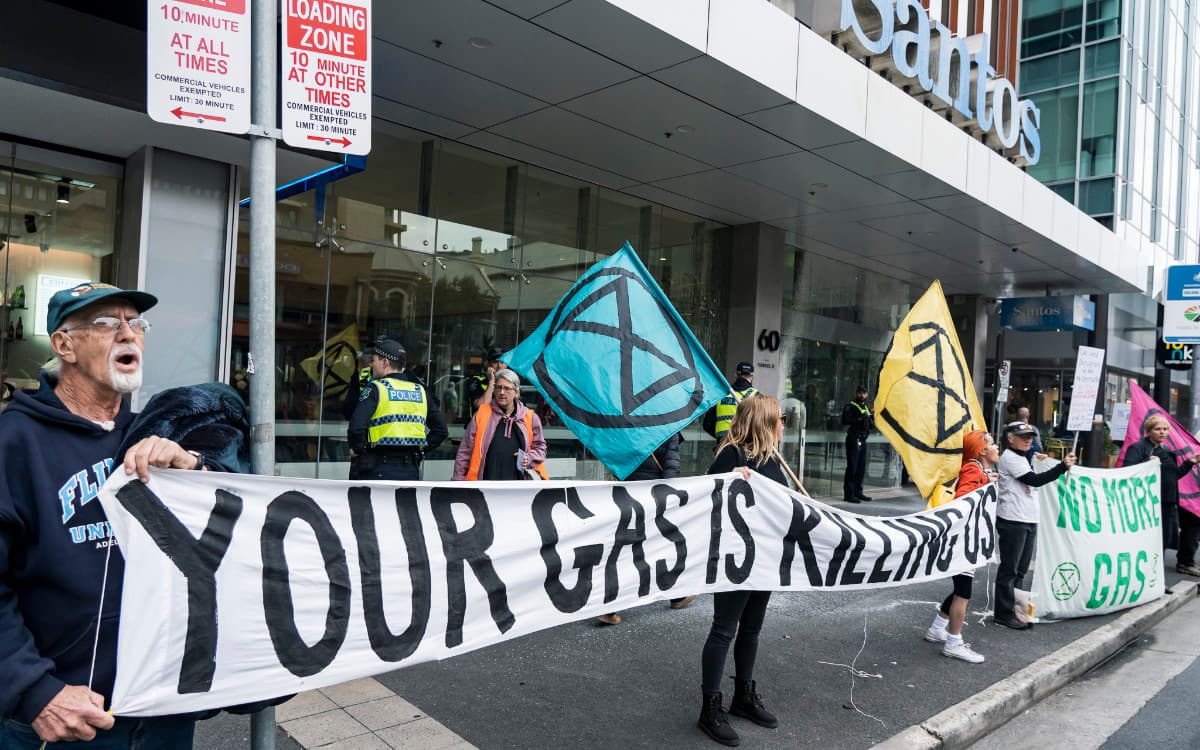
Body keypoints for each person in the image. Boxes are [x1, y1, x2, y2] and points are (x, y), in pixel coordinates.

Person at [0, 281, 208, 748]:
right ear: (64, 345)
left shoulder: (150, 436)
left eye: (135, 324)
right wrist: (35, 692)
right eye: (107, 324)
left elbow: (223, 537)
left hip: (161, 712)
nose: (128, 335)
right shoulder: (13, 443)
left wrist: (194, 468)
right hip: (61, 719)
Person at [697, 395, 790, 746]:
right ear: (764, 421)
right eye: (780, 418)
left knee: (751, 629)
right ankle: (709, 708)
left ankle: (743, 696)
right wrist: (728, 478)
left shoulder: (772, 458)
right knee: (724, 630)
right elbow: (704, 495)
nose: (784, 424)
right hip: (736, 561)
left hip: (764, 558)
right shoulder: (731, 453)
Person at [596, 433, 694, 625]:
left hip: (628, 490)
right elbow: (671, 468)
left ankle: (610, 606)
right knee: (659, 544)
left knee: (631, 546)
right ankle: (675, 595)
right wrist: (670, 498)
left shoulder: (629, 424)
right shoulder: (668, 425)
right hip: (654, 494)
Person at [922, 430, 998, 664]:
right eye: (992, 443)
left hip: (968, 540)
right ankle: (953, 643)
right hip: (963, 542)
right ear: (982, 450)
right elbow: (963, 500)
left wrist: (988, 479)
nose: (997, 447)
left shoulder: (978, 470)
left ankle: (937, 629)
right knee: (964, 594)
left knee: (959, 591)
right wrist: (986, 481)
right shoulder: (973, 469)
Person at [994, 421, 1076, 630]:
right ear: (1010, 438)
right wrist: (1061, 467)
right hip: (1013, 519)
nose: (1028, 440)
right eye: (1023, 437)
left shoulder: (1022, 456)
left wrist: (1038, 458)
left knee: (1020, 569)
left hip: (1027, 518)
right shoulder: (1011, 458)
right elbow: (1034, 480)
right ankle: (1003, 613)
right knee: (1010, 569)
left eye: (1030, 437)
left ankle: (1017, 610)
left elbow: (1032, 469)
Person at [347, 336, 448, 481]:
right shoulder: (420, 391)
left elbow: (356, 428)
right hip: (410, 470)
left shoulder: (376, 388)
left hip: (378, 467)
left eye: (374, 360)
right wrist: (419, 449)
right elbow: (441, 431)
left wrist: (358, 450)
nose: (371, 365)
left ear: (385, 362)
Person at [1120, 414, 1200, 575]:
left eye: (1165, 429)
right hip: (1148, 503)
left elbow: (1174, 476)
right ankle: (1145, 576)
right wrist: (1147, 464)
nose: (1162, 432)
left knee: (1162, 541)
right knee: (1148, 541)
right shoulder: (1138, 448)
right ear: (1148, 431)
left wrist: (1190, 462)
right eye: (1158, 429)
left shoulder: (1166, 451)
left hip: (1168, 504)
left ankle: (1155, 578)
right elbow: (1128, 472)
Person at [453, 368, 548, 481]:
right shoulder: (482, 414)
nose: (502, 392)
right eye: (498, 387)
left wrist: (529, 458)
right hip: (484, 485)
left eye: (507, 388)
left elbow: (541, 448)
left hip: (520, 488)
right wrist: (458, 481)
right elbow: (465, 451)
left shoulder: (530, 417)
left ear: (516, 392)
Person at [702, 361, 757, 440]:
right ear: (752, 377)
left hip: (722, 445)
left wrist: (721, 437)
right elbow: (761, 426)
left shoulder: (721, 394)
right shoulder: (757, 397)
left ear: (735, 375)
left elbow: (707, 424)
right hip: (745, 447)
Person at [841, 385, 874, 503]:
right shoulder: (850, 406)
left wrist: (870, 418)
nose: (862, 395)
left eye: (864, 393)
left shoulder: (866, 408)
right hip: (853, 438)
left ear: (867, 394)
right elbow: (844, 420)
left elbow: (871, 424)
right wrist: (860, 418)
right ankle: (848, 495)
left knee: (861, 468)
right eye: (860, 392)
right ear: (856, 393)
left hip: (863, 439)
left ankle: (858, 492)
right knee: (853, 467)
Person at [465, 347, 505, 415]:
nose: (499, 366)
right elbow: (481, 407)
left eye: (502, 362)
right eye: (495, 362)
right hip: (479, 424)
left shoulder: (510, 382)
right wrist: (491, 381)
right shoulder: (477, 380)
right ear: (489, 364)